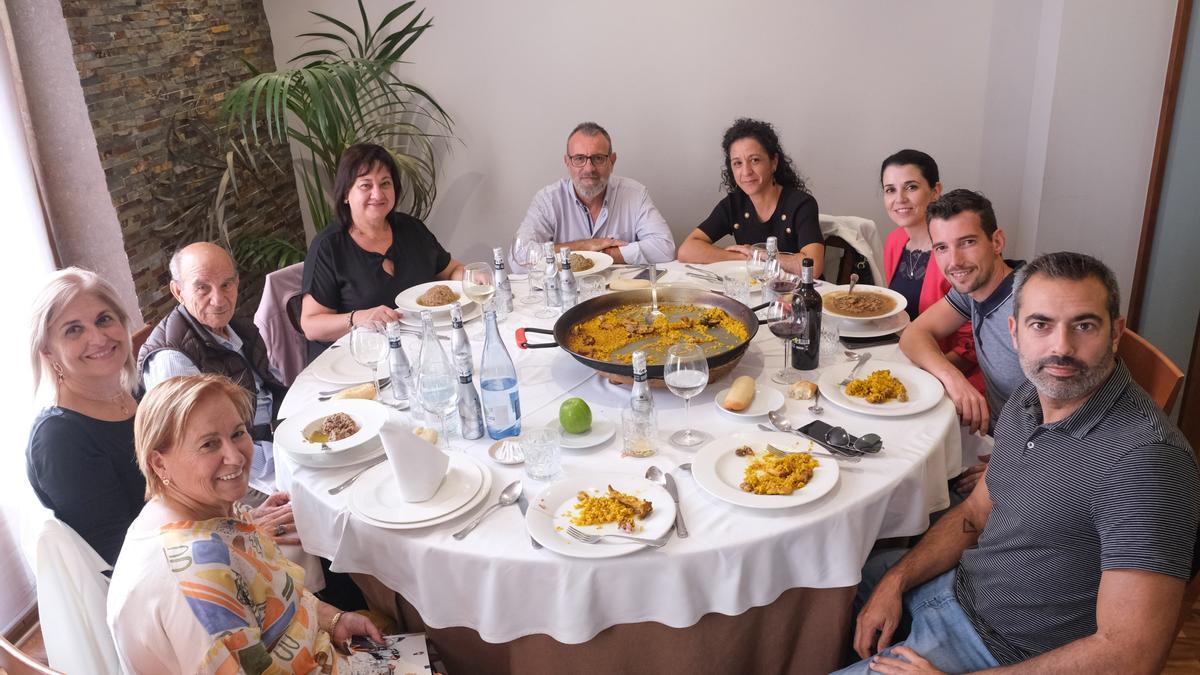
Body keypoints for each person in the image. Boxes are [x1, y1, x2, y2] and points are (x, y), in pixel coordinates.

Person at [838, 251, 1198, 674]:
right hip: (958, 588)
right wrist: (896, 580)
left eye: (1084, 325)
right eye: (1040, 325)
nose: (1061, 347)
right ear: (1015, 332)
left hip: (1000, 654)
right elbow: (975, 513)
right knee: (825, 589)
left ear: (1115, 333)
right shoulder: (1031, 397)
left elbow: (1130, 655)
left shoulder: (1147, 462)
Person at [108, 374, 383, 674]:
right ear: (160, 463)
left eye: (238, 433)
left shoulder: (198, 506)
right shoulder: (195, 574)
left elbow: (270, 593)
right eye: (209, 444)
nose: (235, 457)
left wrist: (331, 619)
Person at [26, 268, 297, 568]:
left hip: (206, 537)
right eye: (73, 330)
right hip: (176, 575)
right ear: (47, 351)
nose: (98, 338)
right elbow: (122, 558)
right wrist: (243, 537)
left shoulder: (138, 393)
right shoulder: (59, 439)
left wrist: (243, 523)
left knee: (303, 518)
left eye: (103, 319)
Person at [139, 242, 287, 491]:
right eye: (202, 288)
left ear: (237, 282)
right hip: (246, 479)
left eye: (226, 284)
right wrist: (287, 458)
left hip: (279, 433)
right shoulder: (173, 360)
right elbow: (210, 452)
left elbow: (271, 382)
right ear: (178, 291)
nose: (218, 300)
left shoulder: (236, 326)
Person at [301, 143, 464, 360]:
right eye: (366, 185)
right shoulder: (328, 247)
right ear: (346, 194)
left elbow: (452, 270)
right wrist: (358, 318)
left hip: (423, 349)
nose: (377, 194)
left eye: (385, 183)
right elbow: (311, 325)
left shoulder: (412, 229)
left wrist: (472, 279)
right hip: (362, 359)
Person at [899, 189, 1025, 438]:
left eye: (967, 242)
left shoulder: (1030, 307)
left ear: (997, 242)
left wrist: (1006, 457)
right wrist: (953, 378)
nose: (955, 261)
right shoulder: (974, 288)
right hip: (995, 433)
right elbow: (914, 334)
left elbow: (1071, 408)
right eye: (942, 248)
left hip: (1022, 448)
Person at [879, 150, 982, 393]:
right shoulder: (895, 241)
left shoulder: (954, 253)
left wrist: (919, 376)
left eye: (911, 187)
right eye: (890, 190)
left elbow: (971, 347)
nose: (900, 199)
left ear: (935, 191)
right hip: (906, 358)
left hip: (950, 377)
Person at [513, 121, 675, 266]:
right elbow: (519, 256)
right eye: (579, 158)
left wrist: (604, 255)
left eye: (598, 158)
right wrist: (585, 246)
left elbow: (665, 248)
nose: (589, 168)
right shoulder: (547, 200)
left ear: (612, 161)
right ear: (567, 162)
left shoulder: (635, 194)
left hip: (617, 287)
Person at [677, 118, 824, 277]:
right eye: (737, 163)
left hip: (798, 290)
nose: (746, 172)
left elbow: (813, 266)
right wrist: (743, 257)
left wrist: (758, 254)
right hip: (756, 288)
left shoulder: (801, 204)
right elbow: (687, 250)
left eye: (755, 160)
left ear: (773, 162)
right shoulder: (734, 204)